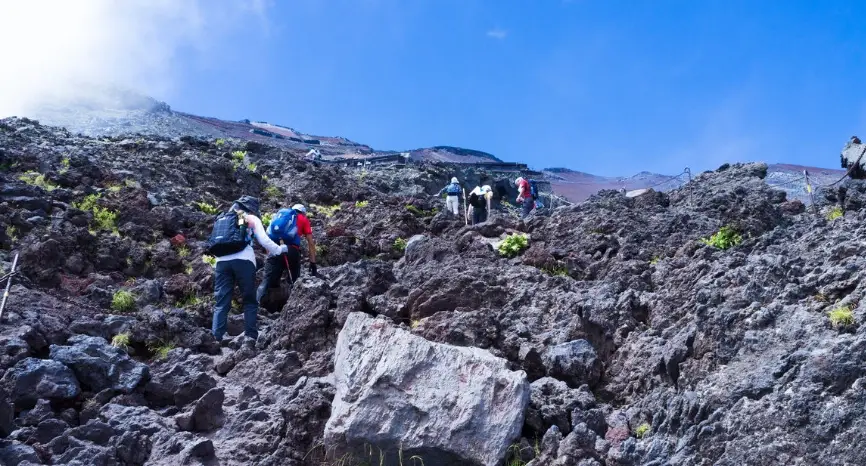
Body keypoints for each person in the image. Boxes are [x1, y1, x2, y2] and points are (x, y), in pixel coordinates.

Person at [208, 196, 287, 345]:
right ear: (251, 207)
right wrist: (279, 249)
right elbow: (263, 240)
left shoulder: (222, 218)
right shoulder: (250, 218)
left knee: (221, 301)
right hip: (244, 261)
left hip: (221, 262)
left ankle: (217, 336)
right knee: (249, 300)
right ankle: (250, 336)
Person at [256, 204, 316, 304]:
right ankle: (294, 306)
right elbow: (310, 242)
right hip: (292, 250)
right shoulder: (303, 219)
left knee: (267, 281)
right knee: (295, 281)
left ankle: (257, 306)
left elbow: (268, 237)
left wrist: (270, 255)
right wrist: (313, 263)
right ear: (303, 213)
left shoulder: (279, 216)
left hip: (275, 249)